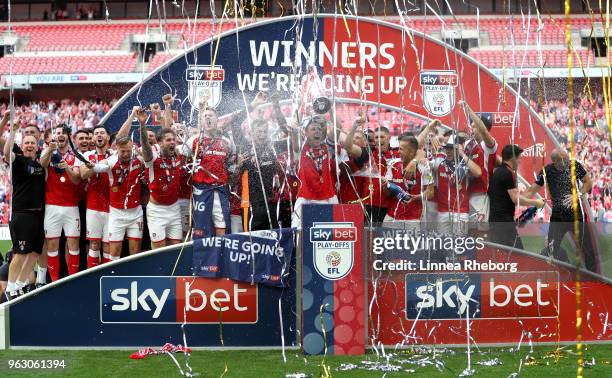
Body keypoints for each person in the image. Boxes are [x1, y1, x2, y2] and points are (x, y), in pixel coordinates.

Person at [89, 109, 148, 259]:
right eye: (123, 151)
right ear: (116, 149)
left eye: (129, 151)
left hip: (136, 213)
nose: (126, 154)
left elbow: (148, 154)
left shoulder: (139, 158)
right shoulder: (111, 160)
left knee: (135, 253)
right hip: (116, 213)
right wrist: (92, 166)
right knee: (114, 253)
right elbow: (100, 166)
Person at [525, 149, 596, 271]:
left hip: (577, 216)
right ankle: (550, 278)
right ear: (556, 161)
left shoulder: (575, 166)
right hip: (558, 218)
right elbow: (531, 190)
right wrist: (518, 199)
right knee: (551, 250)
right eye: (565, 159)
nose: (569, 161)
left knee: (588, 250)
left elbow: (588, 182)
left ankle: (593, 280)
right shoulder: (547, 171)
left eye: (568, 158)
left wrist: (578, 194)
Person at [3, 111, 46, 300]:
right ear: (22, 146)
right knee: (20, 253)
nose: (29, 145)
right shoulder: (17, 161)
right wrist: (12, 129)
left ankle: (20, 285)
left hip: (38, 215)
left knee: (34, 253)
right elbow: (6, 152)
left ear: (37, 147)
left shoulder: (39, 164)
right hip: (22, 214)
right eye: (26, 142)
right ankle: (10, 288)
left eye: (32, 143)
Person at [184, 103, 235, 237]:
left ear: (217, 119)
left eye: (211, 116)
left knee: (222, 228)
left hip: (220, 190)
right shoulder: (194, 141)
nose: (208, 118)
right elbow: (180, 156)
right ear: (201, 121)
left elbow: (231, 163)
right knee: (201, 230)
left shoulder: (226, 142)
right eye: (205, 116)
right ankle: (203, 257)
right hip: (201, 191)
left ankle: (220, 255)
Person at [40, 124, 82, 281]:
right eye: (57, 133)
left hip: (71, 207)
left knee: (74, 245)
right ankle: (55, 281)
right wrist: (50, 150)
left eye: (64, 133)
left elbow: (77, 180)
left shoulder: (75, 155)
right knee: (52, 246)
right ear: (54, 136)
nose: (60, 135)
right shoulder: (49, 153)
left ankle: (72, 280)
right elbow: (42, 164)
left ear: (68, 136)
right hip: (52, 206)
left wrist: (68, 167)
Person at [488, 145, 544, 249]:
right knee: (518, 253)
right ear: (513, 158)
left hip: (495, 220)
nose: (519, 162)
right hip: (504, 222)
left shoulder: (498, 172)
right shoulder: (508, 173)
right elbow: (516, 199)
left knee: (503, 254)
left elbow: (516, 197)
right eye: (519, 158)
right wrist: (536, 203)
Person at [290, 115, 338, 228]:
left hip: (328, 197)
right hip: (305, 197)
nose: (317, 131)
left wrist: (330, 109)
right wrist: (293, 132)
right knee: (297, 231)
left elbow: (337, 127)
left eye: (319, 129)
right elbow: (295, 143)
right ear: (305, 133)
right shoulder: (302, 148)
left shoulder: (328, 148)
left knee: (333, 233)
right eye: (313, 129)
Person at [141, 124, 184, 248]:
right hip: (157, 212)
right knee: (158, 250)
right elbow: (145, 147)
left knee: (175, 248)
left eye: (173, 140)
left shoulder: (178, 156)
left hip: (174, 209)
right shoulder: (153, 158)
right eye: (168, 140)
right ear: (159, 142)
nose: (172, 143)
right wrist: (142, 125)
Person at [431, 133, 482, 236]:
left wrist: (462, 154)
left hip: (461, 212)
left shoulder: (464, 164)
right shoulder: (439, 163)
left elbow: (478, 172)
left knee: (459, 246)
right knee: (444, 245)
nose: (448, 151)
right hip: (443, 212)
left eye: (452, 148)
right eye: (447, 148)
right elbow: (423, 161)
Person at [78, 125, 111, 266]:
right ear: (93, 138)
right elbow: (83, 174)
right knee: (94, 246)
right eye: (96, 133)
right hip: (93, 206)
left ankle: (108, 278)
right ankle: (94, 280)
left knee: (109, 246)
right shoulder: (87, 156)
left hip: (113, 207)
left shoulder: (115, 154)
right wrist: (93, 167)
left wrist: (95, 166)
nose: (99, 135)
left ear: (108, 137)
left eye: (102, 133)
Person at [383, 134, 433, 229]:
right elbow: (387, 194)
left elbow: (430, 193)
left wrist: (415, 197)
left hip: (413, 219)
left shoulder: (424, 166)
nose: (398, 151)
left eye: (401, 149)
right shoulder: (393, 164)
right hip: (392, 217)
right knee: (385, 243)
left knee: (412, 244)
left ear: (411, 151)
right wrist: (385, 186)